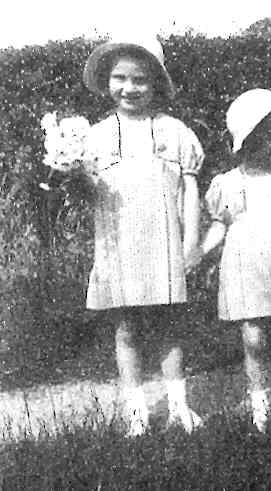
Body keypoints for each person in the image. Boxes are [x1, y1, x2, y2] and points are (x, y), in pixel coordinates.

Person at [56, 36, 204, 436]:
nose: (129, 87)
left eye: (139, 79)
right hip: (119, 244)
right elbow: (90, 195)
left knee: (168, 325)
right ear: (106, 82)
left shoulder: (175, 132)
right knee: (126, 328)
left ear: (156, 83)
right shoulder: (97, 135)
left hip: (163, 243)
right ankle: (136, 411)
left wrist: (191, 243)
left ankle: (179, 406)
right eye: (120, 77)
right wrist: (73, 174)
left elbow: (189, 191)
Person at [186, 89, 271, 432]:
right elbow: (220, 224)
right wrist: (200, 253)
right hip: (246, 267)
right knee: (254, 337)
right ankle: (259, 404)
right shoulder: (228, 184)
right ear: (248, 139)